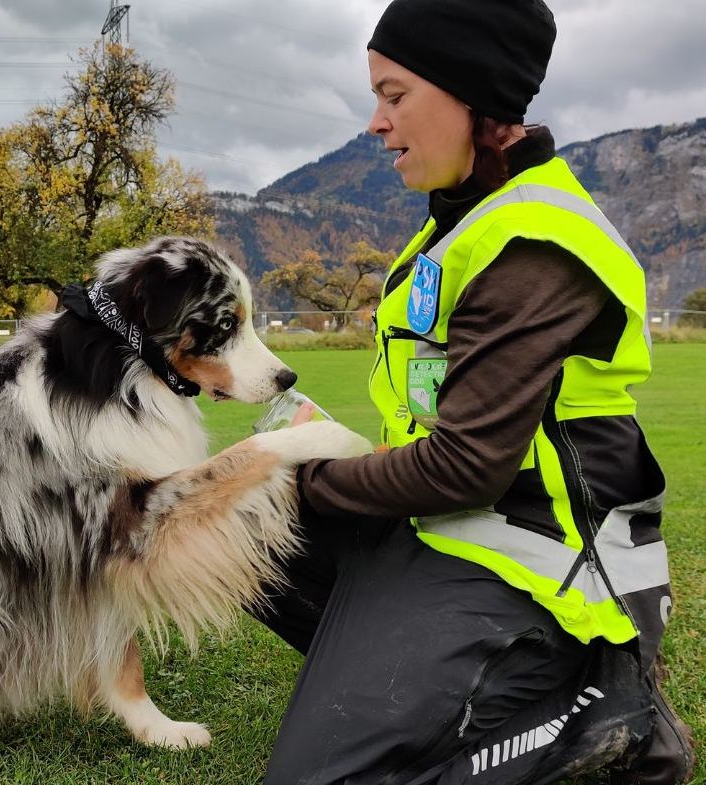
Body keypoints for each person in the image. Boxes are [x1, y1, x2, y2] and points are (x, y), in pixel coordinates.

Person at [250, 1, 696, 783]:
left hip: (539, 567)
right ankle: (431, 683)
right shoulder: (458, 227)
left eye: (394, 96)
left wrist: (305, 477)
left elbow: (464, 467)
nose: (375, 124)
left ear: (472, 97)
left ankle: (604, 706)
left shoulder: (534, 242)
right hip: (445, 534)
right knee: (242, 536)